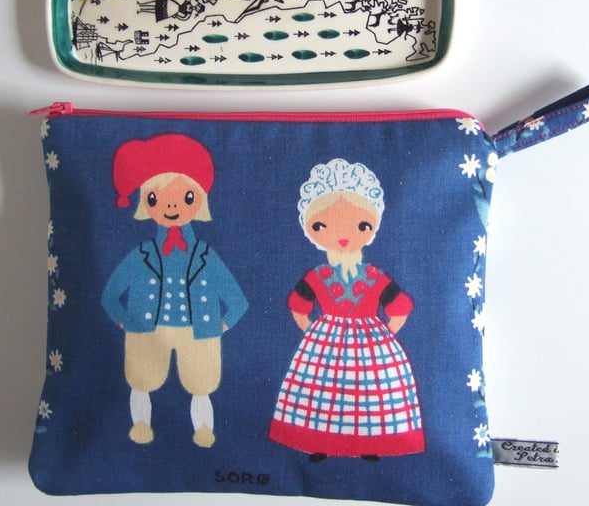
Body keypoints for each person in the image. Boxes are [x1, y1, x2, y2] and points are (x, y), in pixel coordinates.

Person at [269, 158, 425, 461]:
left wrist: (382, 337)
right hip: (326, 338)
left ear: (372, 228)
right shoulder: (319, 276)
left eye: (361, 225)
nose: (343, 234)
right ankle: (321, 443)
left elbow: (400, 308)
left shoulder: (374, 277)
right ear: (311, 230)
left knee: (366, 392)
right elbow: (299, 307)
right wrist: (316, 334)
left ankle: (368, 443)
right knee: (322, 391)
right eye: (322, 225)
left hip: (368, 340)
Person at [101, 133, 248, 447]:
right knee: (141, 380)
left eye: (186, 197)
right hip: (146, 329)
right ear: (145, 203)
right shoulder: (142, 254)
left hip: (199, 331)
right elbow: (110, 293)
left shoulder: (205, 256)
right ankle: (140, 427)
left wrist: (221, 325)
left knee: (202, 384)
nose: (170, 206)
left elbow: (237, 300)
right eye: (156, 198)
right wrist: (124, 320)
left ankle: (204, 431)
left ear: (200, 201)